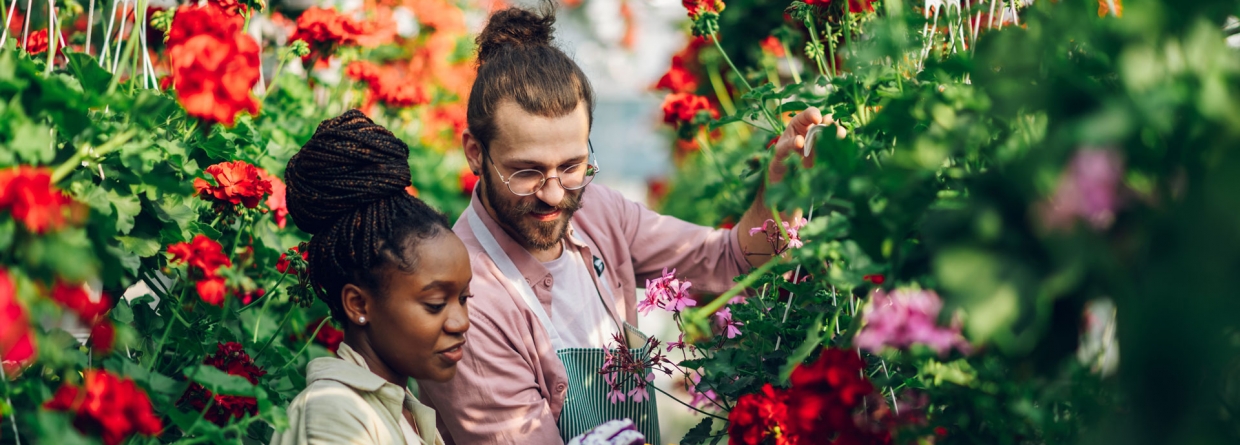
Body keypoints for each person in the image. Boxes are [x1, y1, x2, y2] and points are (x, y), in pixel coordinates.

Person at [415, 3, 829, 444]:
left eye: (572, 165)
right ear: (475, 153)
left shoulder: (599, 212)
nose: (554, 194)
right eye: (526, 172)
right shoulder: (470, 301)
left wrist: (781, 188)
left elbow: (729, 261)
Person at [272, 110, 470, 445]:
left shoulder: (403, 410)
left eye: (464, 299)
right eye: (436, 304)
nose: (460, 321)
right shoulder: (334, 411)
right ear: (358, 304)